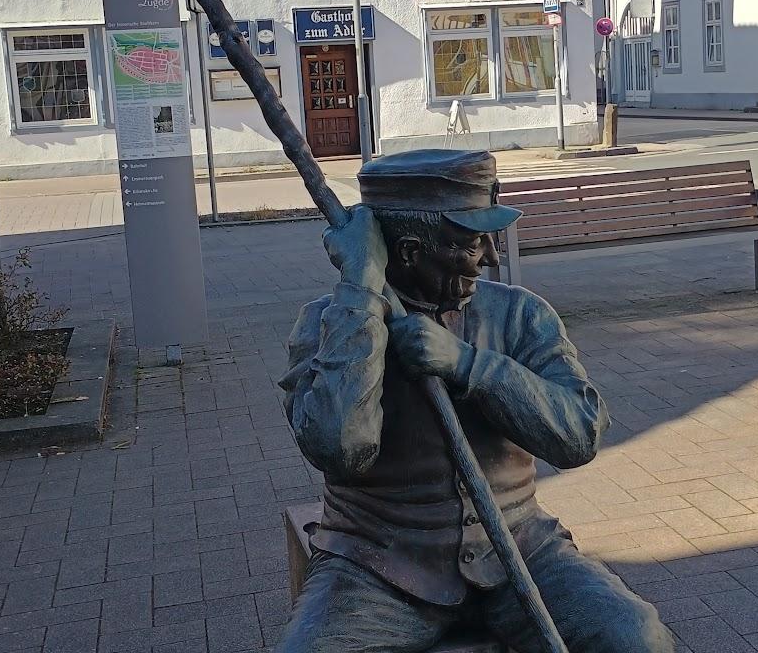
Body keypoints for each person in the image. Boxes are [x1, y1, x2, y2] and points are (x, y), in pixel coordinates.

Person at [276, 149, 673, 653]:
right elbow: (340, 448)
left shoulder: (519, 315)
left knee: (635, 637)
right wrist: (360, 292)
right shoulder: (328, 323)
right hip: (378, 563)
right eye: (469, 242)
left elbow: (580, 436)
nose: (490, 257)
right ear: (407, 252)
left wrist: (471, 366)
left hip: (519, 547)